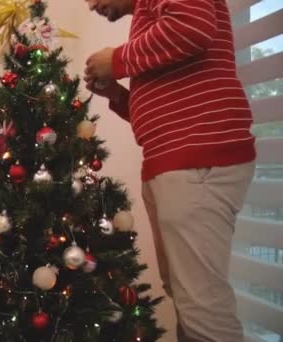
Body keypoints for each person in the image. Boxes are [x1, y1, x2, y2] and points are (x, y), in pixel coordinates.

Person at [83, 0, 255, 341]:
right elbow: (164, 113)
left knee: (202, 309)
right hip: (180, 160)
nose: (90, 5)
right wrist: (118, 95)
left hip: (195, 159)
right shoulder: (148, 15)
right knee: (188, 299)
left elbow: (193, 27)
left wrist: (116, 60)